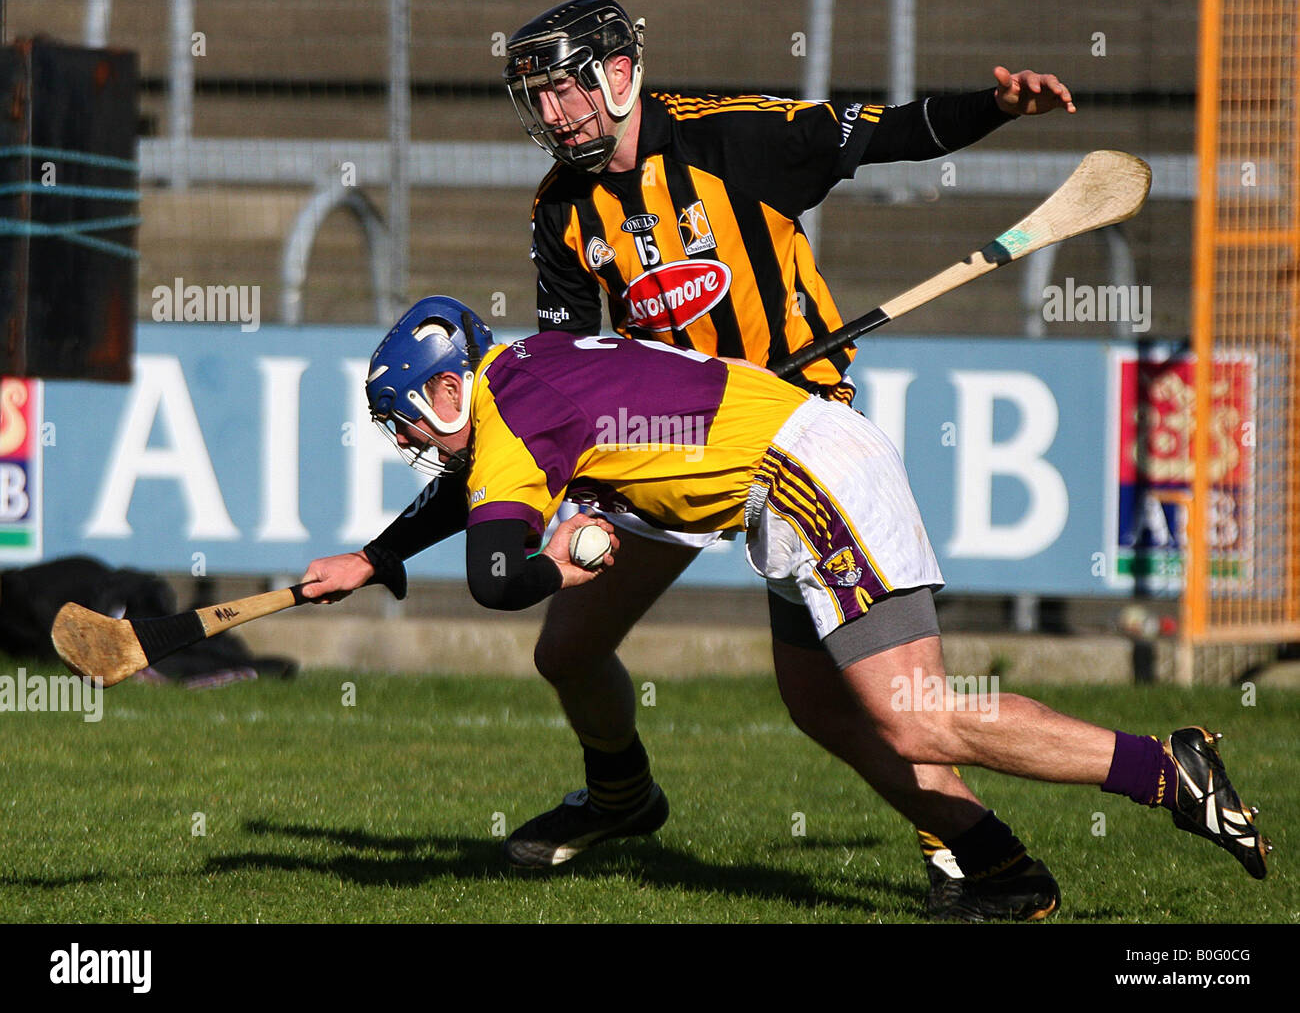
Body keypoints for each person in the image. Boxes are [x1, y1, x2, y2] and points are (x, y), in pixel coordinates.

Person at [301, 298, 1270, 921]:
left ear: (440, 389)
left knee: (914, 711)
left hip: (802, 476)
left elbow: (495, 575)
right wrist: (379, 556)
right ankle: (997, 869)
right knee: (817, 702)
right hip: (785, 482)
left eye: (406, 424)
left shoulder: (507, 417)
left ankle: (1164, 769)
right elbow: (479, 493)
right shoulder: (526, 367)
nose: (410, 445)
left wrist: (561, 563)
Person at [494, 0, 1078, 917]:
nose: (554, 114)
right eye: (539, 98)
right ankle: (621, 797)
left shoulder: (735, 140)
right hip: (672, 446)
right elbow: (572, 362)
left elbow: (893, 133)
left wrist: (996, 107)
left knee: (846, 696)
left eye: (566, 89)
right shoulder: (562, 209)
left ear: (616, 74)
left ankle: (972, 851)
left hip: (789, 448)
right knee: (567, 649)